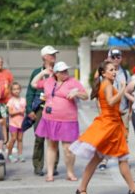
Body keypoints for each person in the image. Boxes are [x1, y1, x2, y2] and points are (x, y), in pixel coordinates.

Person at [70, 61, 135, 194]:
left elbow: (111, 105)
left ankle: (133, 189)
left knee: (122, 158)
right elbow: (111, 101)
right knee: (98, 159)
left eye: (114, 69)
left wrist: (121, 111)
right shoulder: (106, 85)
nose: (114, 72)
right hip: (108, 126)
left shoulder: (107, 84)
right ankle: (81, 189)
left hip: (114, 125)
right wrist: (123, 89)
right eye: (111, 70)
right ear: (103, 73)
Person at [31, 61, 88, 182]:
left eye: (66, 70)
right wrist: (43, 73)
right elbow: (33, 83)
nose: (65, 73)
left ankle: (70, 172)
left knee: (68, 149)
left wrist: (76, 93)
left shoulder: (73, 81)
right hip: (50, 118)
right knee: (51, 146)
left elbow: (85, 96)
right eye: (62, 71)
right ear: (56, 73)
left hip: (68, 120)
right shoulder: (49, 81)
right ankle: (50, 173)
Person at [26, 46, 58, 176]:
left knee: (54, 138)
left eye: (55, 54)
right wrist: (29, 110)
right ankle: (38, 166)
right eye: (51, 54)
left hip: (55, 109)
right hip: (39, 108)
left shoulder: (59, 71)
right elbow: (30, 92)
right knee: (39, 138)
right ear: (44, 57)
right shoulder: (36, 73)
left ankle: (53, 166)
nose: (54, 56)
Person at [6, 82, 27, 162]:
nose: (16, 91)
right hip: (13, 123)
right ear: (11, 91)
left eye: (18, 89)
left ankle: (20, 154)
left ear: (20, 90)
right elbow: (10, 112)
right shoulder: (11, 101)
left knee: (20, 139)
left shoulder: (23, 100)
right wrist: (19, 112)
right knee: (13, 138)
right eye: (14, 89)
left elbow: (25, 109)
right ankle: (10, 154)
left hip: (21, 123)